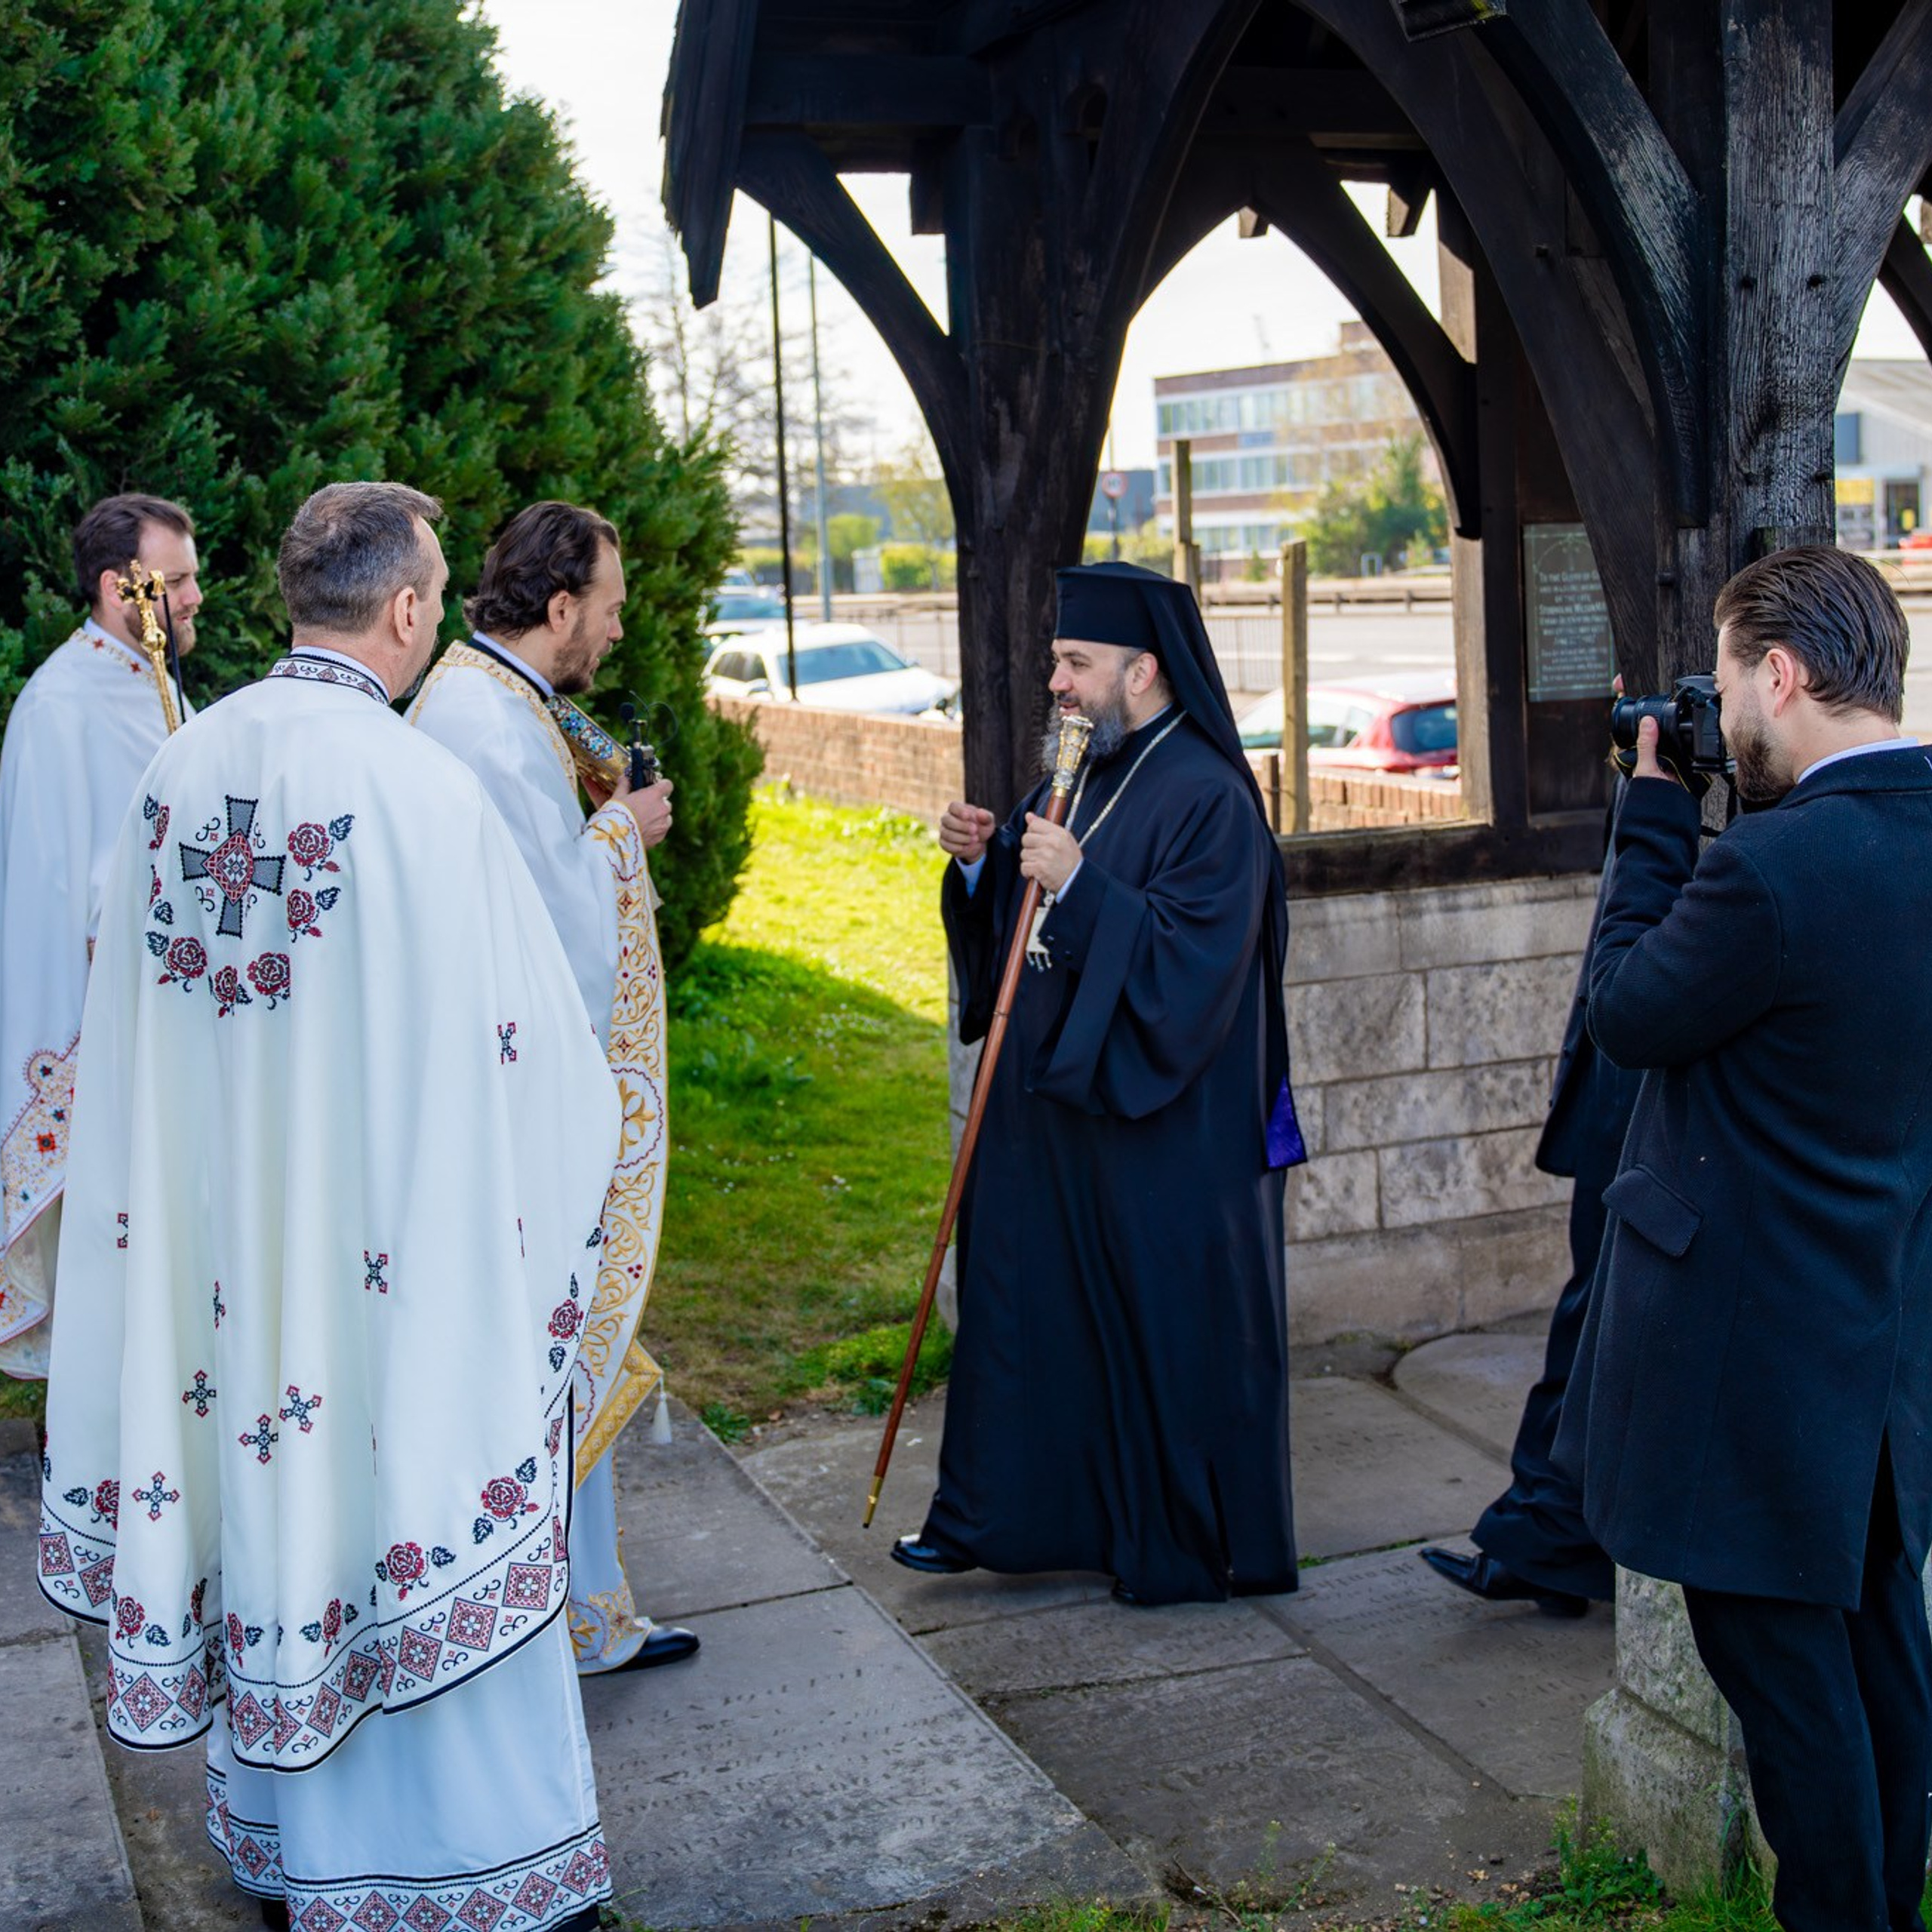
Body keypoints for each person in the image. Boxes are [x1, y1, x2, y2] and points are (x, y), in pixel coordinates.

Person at [36, 482, 620, 1932]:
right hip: (387, 1261)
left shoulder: (185, 767)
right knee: (408, 1479)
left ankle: (289, 1841)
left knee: (278, 1512)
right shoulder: (423, 789)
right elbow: (535, 1059)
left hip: (234, 1252)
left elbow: (134, 1019)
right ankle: (471, 1868)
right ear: (412, 609)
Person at [1555, 545, 1932, 1932]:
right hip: (1886, 1356)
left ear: (1782, 674)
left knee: (1786, 1683)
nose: (1720, 706)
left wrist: (1653, 810)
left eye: (1724, 677)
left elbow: (1626, 1013)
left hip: (1756, 1371)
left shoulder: (1769, 876)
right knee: (1885, 1653)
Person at [890, 560, 1304, 1606]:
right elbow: (1019, 929)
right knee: (1025, 1310)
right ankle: (995, 1517)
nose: (1059, 686)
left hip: (1158, 1126)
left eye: (1077, 664)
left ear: (1145, 669)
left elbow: (1192, 963)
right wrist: (981, 867)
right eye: (1057, 663)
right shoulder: (1080, 771)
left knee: (1145, 1328)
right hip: (1051, 1117)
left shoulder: (1210, 796)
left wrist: (1078, 883)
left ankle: (1167, 1539)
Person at [409, 500, 694, 1675]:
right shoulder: (483, 719)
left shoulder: (499, 700)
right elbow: (543, 922)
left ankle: (584, 1609)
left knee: (558, 1351)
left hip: (502, 1084)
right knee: (547, 1348)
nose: (619, 632)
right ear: (561, 605)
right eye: (612, 609)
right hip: (513, 1095)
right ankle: (549, 1619)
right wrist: (623, 833)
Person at [1420, 789, 1641, 1617]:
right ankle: (1548, 1536)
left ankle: (1551, 1536)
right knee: (1586, 1328)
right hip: (1618, 1095)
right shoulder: (1657, 777)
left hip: (1653, 1110)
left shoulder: (1716, 785)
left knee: (1596, 1329)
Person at [0, 493, 203, 1377]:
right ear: (125, 586)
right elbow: (56, 903)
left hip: (171, 1029)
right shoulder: (61, 706)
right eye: (181, 579)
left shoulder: (152, 681)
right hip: (105, 1044)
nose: (197, 596)